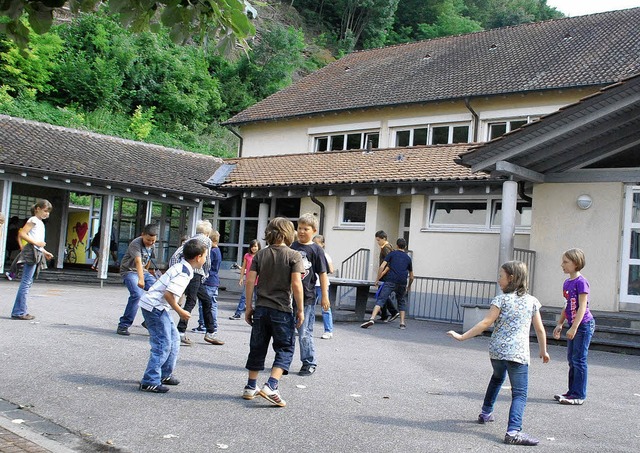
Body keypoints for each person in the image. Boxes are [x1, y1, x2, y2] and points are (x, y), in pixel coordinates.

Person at [446, 260, 550, 446]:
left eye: (500, 276)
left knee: (497, 378)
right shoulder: (532, 301)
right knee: (520, 393)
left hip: (497, 351)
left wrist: (463, 337)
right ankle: (513, 431)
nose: (498, 280)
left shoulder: (500, 300)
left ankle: (486, 413)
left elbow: (485, 323)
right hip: (518, 354)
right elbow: (540, 330)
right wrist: (543, 351)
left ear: (511, 278)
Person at [242, 217, 304, 407]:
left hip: (261, 308)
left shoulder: (260, 255)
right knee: (285, 347)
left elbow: (250, 280)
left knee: (257, 346)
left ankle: (250, 386)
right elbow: (296, 283)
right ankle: (271, 385)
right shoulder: (294, 255)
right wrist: (300, 309)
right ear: (289, 234)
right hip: (282, 309)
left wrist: (249, 306)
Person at [138, 238, 208, 393]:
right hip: (155, 307)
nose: (205, 259)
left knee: (174, 339)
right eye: (205, 256)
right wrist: (180, 311)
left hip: (159, 307)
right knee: (163, 344)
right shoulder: (184, 272)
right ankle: (149, 380)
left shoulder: (184, 267)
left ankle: (164, 374)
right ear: (198, 257)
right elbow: (169, 294)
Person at [553, 248, 596, 406]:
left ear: (576, 263)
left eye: (565, 262)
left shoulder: (581, 282)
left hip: (583, 325)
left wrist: (574, 327)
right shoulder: (567, 282)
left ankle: (579, 395)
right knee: (572, 359)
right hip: (573, 324)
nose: (562, 265)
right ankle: (571, 392)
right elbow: (567, 305)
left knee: (579, 359)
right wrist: (560, 323)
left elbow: (582, 306)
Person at [168, 220, 219, 346]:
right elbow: (206, 260)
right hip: (196, 273)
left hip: (189, 272)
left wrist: (178, 270)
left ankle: (210, 331)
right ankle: (181, 331)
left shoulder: (190, 240)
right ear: (208, 232)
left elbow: (175, 256)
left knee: (205, 300)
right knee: (192, 301)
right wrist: (205, 273)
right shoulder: (206, 241)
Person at [291, 213, 329, 376]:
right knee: (286, 330)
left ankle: (309, 362)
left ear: (313, 230)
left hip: (307, 297)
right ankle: (283, 361)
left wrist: (325, 296)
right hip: (288, 296)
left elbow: (322, 274)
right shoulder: (291, 246)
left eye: (305, 229)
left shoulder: (316, 250)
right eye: (299, 228)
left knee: (304, 331)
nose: (301, 231)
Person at [10, 200, 54, 320]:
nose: (47, 214)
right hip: (32, 253)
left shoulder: (39, 222)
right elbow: (23, 234)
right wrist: (37, 243)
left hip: (37, 252)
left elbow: (36, 242)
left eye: (48, 212)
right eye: (45, 211)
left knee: (27, 282)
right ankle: (19, 312)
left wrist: (44, 252)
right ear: (37, 209)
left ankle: (19, 311)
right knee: (26, 282)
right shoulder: (33, 220)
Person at [361, 237, 413, 330]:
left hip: (390, 280)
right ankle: (402, 323)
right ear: (405, 246)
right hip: (402, 282)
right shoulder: (408, 258)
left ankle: (372, 318)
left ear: (397, 245)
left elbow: (382, 267)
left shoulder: (392, 254)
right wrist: (408, 286)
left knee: (381, 299)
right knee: (401, 301)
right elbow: (412, 276)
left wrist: (377, 279)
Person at [116, 223, 158, 336]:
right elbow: (138, 261)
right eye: (148, 240)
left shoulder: (152, 244)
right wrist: (141, 279)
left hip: (143, 271)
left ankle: (148, 322)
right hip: (129, 271)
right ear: (142, 235)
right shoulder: (135, 243)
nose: (151, 243)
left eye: (153, 240)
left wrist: (148, 274)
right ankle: (123, 325)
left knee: (159, 292)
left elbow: (148, 260)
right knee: (137, 295)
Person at [192, 230, 225, 345]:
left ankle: (204, 325)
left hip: (209, 280)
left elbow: (208, 266)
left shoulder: (211, 251)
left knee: (206, 304)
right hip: (214, 280)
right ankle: (210, 326)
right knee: (211, 304)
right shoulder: (218, 250)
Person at [229, 239, 260, 320]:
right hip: (249, 280)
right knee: (244, 297)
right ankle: (238, 314)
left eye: (256, 246)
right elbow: (243, 267)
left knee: (257, 298)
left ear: (258, 247)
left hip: (258, 280)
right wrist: (241, 278)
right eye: (253, 246)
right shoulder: (247, 255)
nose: (254, 248)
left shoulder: (260, 255)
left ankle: (257, 315)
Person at [374, 230, 399, 322]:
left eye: (378, 240)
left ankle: (393, 312)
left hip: (385, 275)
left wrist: (382, 273)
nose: (377, 242)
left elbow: (390, 262)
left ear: (384, 239)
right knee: (381, 294)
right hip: (386, 275)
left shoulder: (386, 248)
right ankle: (384, 314)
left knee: (382, 294)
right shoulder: (387, 247)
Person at [313, 234, 335, 339]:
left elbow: (331, 269)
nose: (315, 246)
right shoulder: (311, 253)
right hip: (311, 284)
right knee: (309, 307)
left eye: (317, 244)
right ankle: (307, 328)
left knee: (325, 308)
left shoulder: (325, 255)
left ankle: (328, 330)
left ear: (322, 244)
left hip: (322, 284)